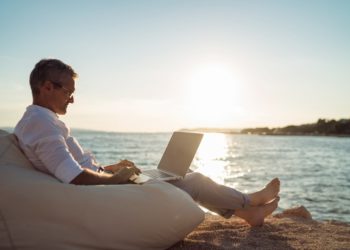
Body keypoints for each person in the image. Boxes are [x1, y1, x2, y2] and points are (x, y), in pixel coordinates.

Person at [15, 59, 280, 226]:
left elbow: (71, 167)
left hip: (103, 184)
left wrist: (109, 168)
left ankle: (247, 213)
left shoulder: (40, 120)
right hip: (104, 194)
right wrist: (116, 179)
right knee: (194, 181)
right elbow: (73, 177)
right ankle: (249, 202)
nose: (72, 99)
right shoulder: (41, 123)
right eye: (68, 92)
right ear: (47, 87)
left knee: (180, 174)